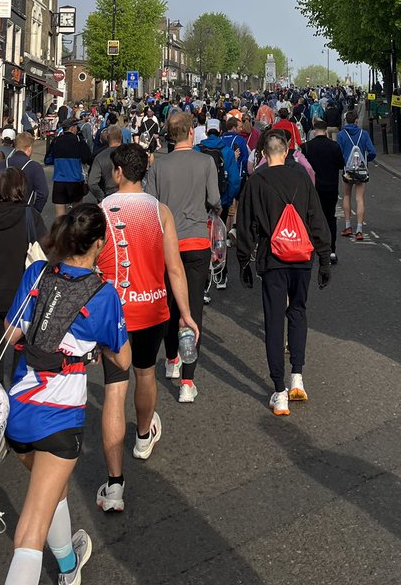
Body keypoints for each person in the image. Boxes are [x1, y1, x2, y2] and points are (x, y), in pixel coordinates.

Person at [1, 204, 130, 585]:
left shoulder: (37, 273)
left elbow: (11, 333)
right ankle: (60, 564)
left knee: (51, 490)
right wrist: (95, 347)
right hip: (59, 418)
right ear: (100, 244)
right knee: (30, 531)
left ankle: (69, 563)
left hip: (17, 411)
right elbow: (123, 358)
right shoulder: (104, 294)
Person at [96, 144, 199, 514]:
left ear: (119, 172)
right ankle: (142, 437)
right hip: (153, 306)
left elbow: (89, 264)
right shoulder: (160, 211)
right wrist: (186, 313)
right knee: (145, 373)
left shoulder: (101, 210)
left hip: (115, 312)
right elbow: (175, 267)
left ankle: (115, 484)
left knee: (114, 389)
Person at [236, 129, 331, 416]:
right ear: (287, 151)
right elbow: (316, 218)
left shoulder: (257, 181)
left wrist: (243, 261)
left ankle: (279, 391)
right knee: (298, 312)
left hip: (273, 258)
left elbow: (246, 226)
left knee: (275, 320)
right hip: (302, 257)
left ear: (264, 154)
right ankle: (297, 376)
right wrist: (324, 257)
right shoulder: (302, 178)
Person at [147, 110, 219, 399]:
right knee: (193, 310)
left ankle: (171, 359)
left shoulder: (158, 166)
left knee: (170, 306)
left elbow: (151, 204)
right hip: (197, 241)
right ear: (192, 132)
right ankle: (188, 382)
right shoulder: (205, 162)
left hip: (167, 243)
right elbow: (215, 199)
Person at [0, 166, 46, 386]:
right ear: (22, 188)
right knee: (22, 355)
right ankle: (17, 397)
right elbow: (45, 252)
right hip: (24, 297)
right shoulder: (31, 216)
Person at [300, 116, 345, 264]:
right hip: (330, 187)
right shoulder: (334, 146)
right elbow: (341, 165)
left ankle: (311, 248)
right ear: (326, 131)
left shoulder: (306, 147)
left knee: (311, 218)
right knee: (330, 218)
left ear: (314, 131)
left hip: (312, 188)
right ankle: (331, 250)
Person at [0, 131, 48, 211]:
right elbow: (43, 194)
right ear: (29, 149)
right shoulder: (35, 167)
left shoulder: (0, 165)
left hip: (1, 213)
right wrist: (35, 211)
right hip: (24, 213)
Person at [337, 109, 376, 241]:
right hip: (361, 170)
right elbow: (372, 152)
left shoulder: (341, 135)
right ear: (356, 121)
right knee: (360, 198)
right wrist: (365, 161)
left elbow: (338, 152)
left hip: (347, 170)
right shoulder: (363, 134)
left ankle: (348, 226)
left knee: (346, 196)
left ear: (345, 121)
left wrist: (342, 163)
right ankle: (359, 229)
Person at [49, 117, 93, 218]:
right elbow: (87, 158)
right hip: (75, 180)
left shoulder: (56, 141)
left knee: (60, 215)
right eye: (76, 127)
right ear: (72, 128)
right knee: (76, 213)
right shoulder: (78, 140)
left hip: (59, 181)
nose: (77, 129)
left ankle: (61, 228)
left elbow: (48, 159)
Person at [86, 124, 123, 202]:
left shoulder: (100, 156)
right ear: (121, 137)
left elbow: (92, 183)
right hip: (129, 194)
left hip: (109, 193)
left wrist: (101, 197)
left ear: (108, 137)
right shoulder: (130, 153)